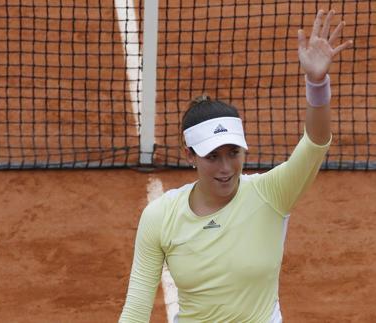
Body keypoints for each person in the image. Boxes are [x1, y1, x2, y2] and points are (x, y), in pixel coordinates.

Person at [119, 9, 353, 322]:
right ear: (190, 155)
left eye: (233, 152)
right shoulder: (160, 217)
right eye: (212, 156)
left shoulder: (271, 194)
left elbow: (315, 143)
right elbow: (136, 308)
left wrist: (317, 82)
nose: (226, 167)